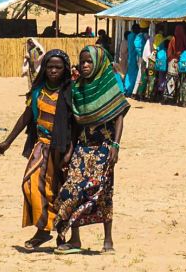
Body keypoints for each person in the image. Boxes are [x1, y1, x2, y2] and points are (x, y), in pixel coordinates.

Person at [53, 45, 129, 254]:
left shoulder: (108, 83)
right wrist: (69, 151)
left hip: (104, 146)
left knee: (103, 191)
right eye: (83, 61)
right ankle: (75, 239)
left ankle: (108, 240)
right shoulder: (78, 87)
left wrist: (115, 144)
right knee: (73, 189)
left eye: (89, 62)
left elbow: (119, 114)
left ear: (97, 63)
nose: (85, 65)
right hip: (83, 146)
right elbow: (76, 123)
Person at [0, 49, 74, 250]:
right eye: (50, 66)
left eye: (58, 67)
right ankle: (43, 229)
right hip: (41, 147)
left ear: (65, 69)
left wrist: (70, 151)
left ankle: (59, 233)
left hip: (62, 150)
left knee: (57, 191)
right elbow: (26, 117)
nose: (53, 71)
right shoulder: (38, 91)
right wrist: (7, 142)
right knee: (30, 186)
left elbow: (76, 125)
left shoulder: (70, 92)